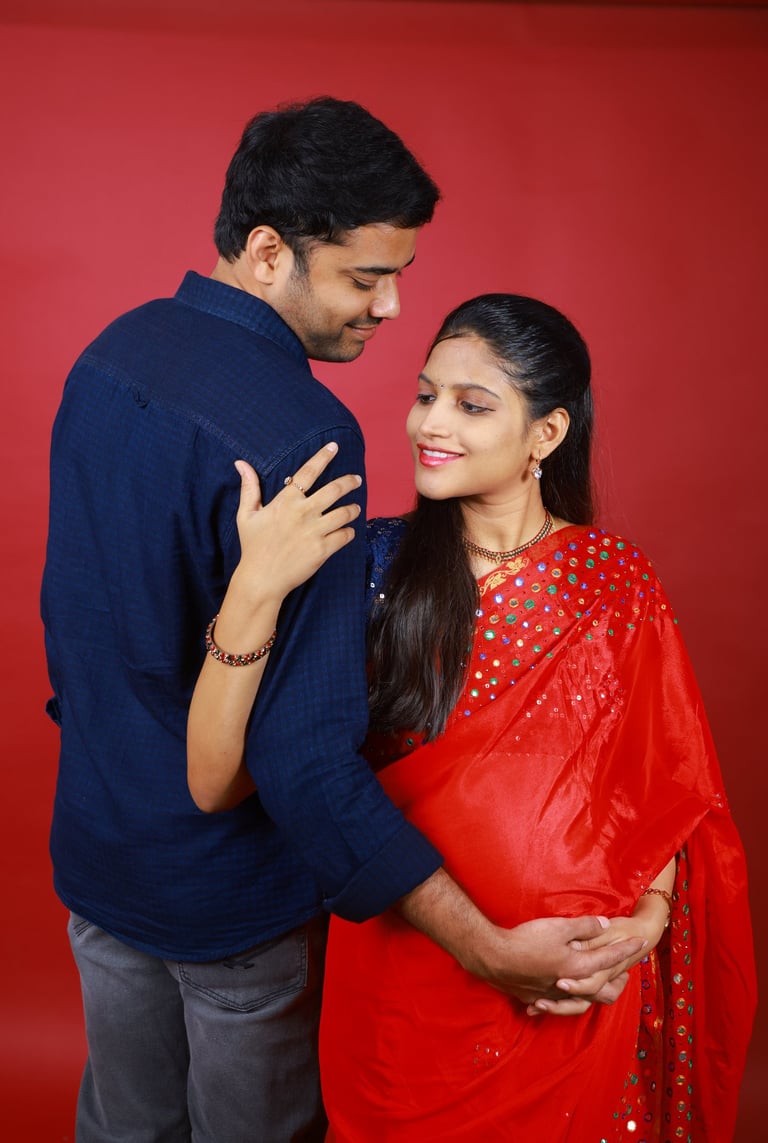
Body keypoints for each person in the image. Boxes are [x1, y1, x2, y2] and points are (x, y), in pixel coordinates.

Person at [41, 100, 640, 1143]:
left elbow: (79, 626)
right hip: (229, 909)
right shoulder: (303, 433)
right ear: (269, 251)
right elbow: (304, 757)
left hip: (97, 860)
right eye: (365, 278)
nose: (392, 306)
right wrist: (484, 945)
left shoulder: (109, 352)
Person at [187, 293, 756, 1141]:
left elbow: (665, 785)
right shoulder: (370, 567)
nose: (431, 423)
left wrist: (647, 921)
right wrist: (253, 591)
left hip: (576, 990)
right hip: (409, 974)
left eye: (471, 404)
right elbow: (224, 778)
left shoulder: (615, 581)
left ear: (547, 433)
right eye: (426, 394)